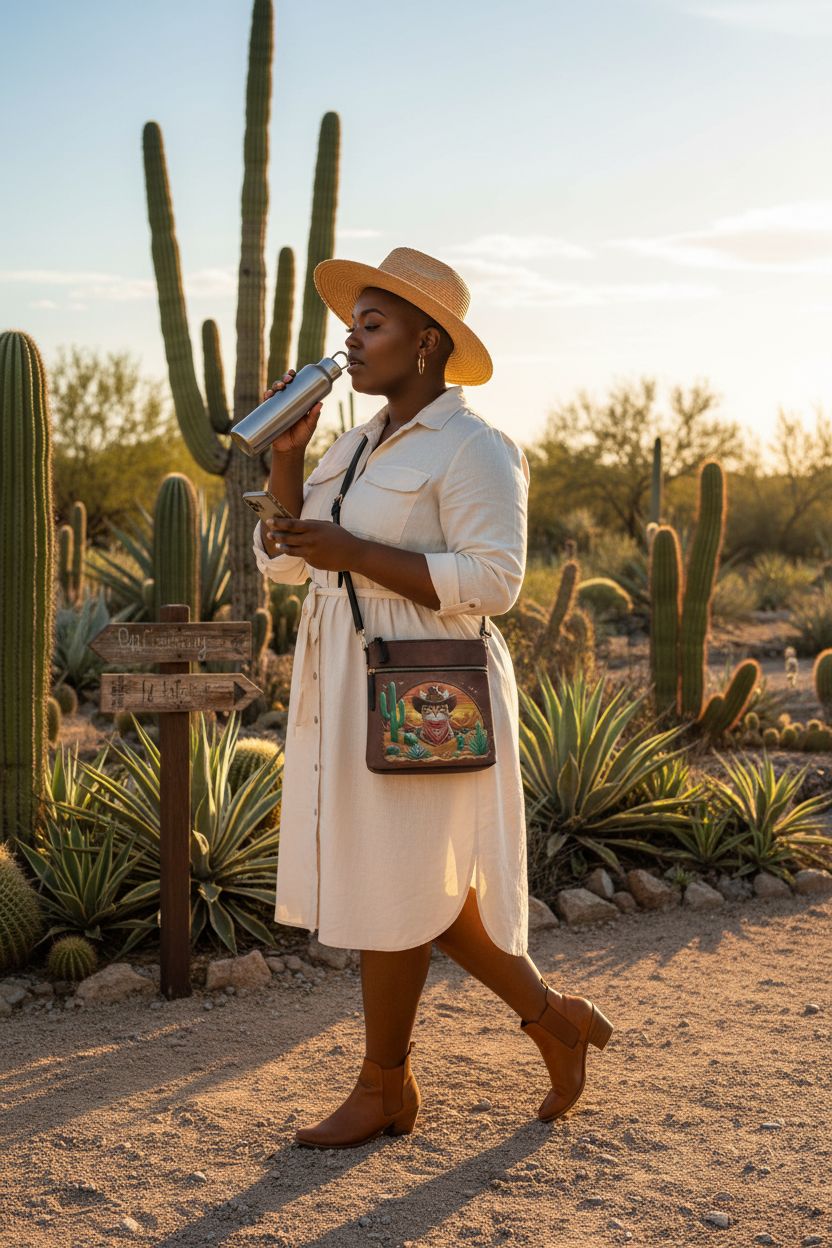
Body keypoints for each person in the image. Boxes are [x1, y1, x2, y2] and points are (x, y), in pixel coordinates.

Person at [252, 247, 613, 1149]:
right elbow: (289, 558)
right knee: (407, 879)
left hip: (425, 689)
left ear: (425, 342)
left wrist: (357, 553)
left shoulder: (475, 446)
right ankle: (548, 1022)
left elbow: (496, 582)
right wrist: (291, 465)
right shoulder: (352, 443)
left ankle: (387, 1087)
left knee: (403, 878)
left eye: (371, 325)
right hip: (347, 676)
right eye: (353, 325)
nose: (352, 340)